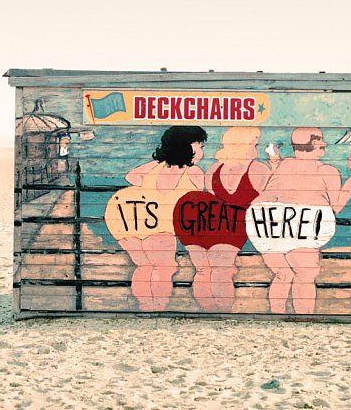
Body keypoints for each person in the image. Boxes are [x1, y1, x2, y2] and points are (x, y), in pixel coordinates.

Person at [246, 127, 351, 314]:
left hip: (265, 221)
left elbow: (275, 187)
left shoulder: (285, 164)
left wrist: (275, 162)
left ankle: (277, 314)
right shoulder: (327, 171)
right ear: (316, 145)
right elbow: (337, 206)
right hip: (303, 220)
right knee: (305, 275)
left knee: (283, 274)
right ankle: (304, 316)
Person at [104, 126, 206, 311]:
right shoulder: (194, 172)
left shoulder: (155, 167)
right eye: (199, 146)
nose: (202, 152)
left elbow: (131, 176)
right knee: (164, 267)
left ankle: (145, 305)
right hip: (161, 225)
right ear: (186, 147)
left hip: (131, 223)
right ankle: (158, 305)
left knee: (144, 267)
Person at [174, 127, 274, 311]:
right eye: (254, 143)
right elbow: (269, 196)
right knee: (222, 272)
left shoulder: (214, 169)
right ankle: (222, 310)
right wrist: (275, 165)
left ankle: (206, 310)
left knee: (203, 271)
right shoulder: (259, 169)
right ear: (244, 145)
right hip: (234, 226)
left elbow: (212, 199)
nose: (256, 147)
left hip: (208, 223)